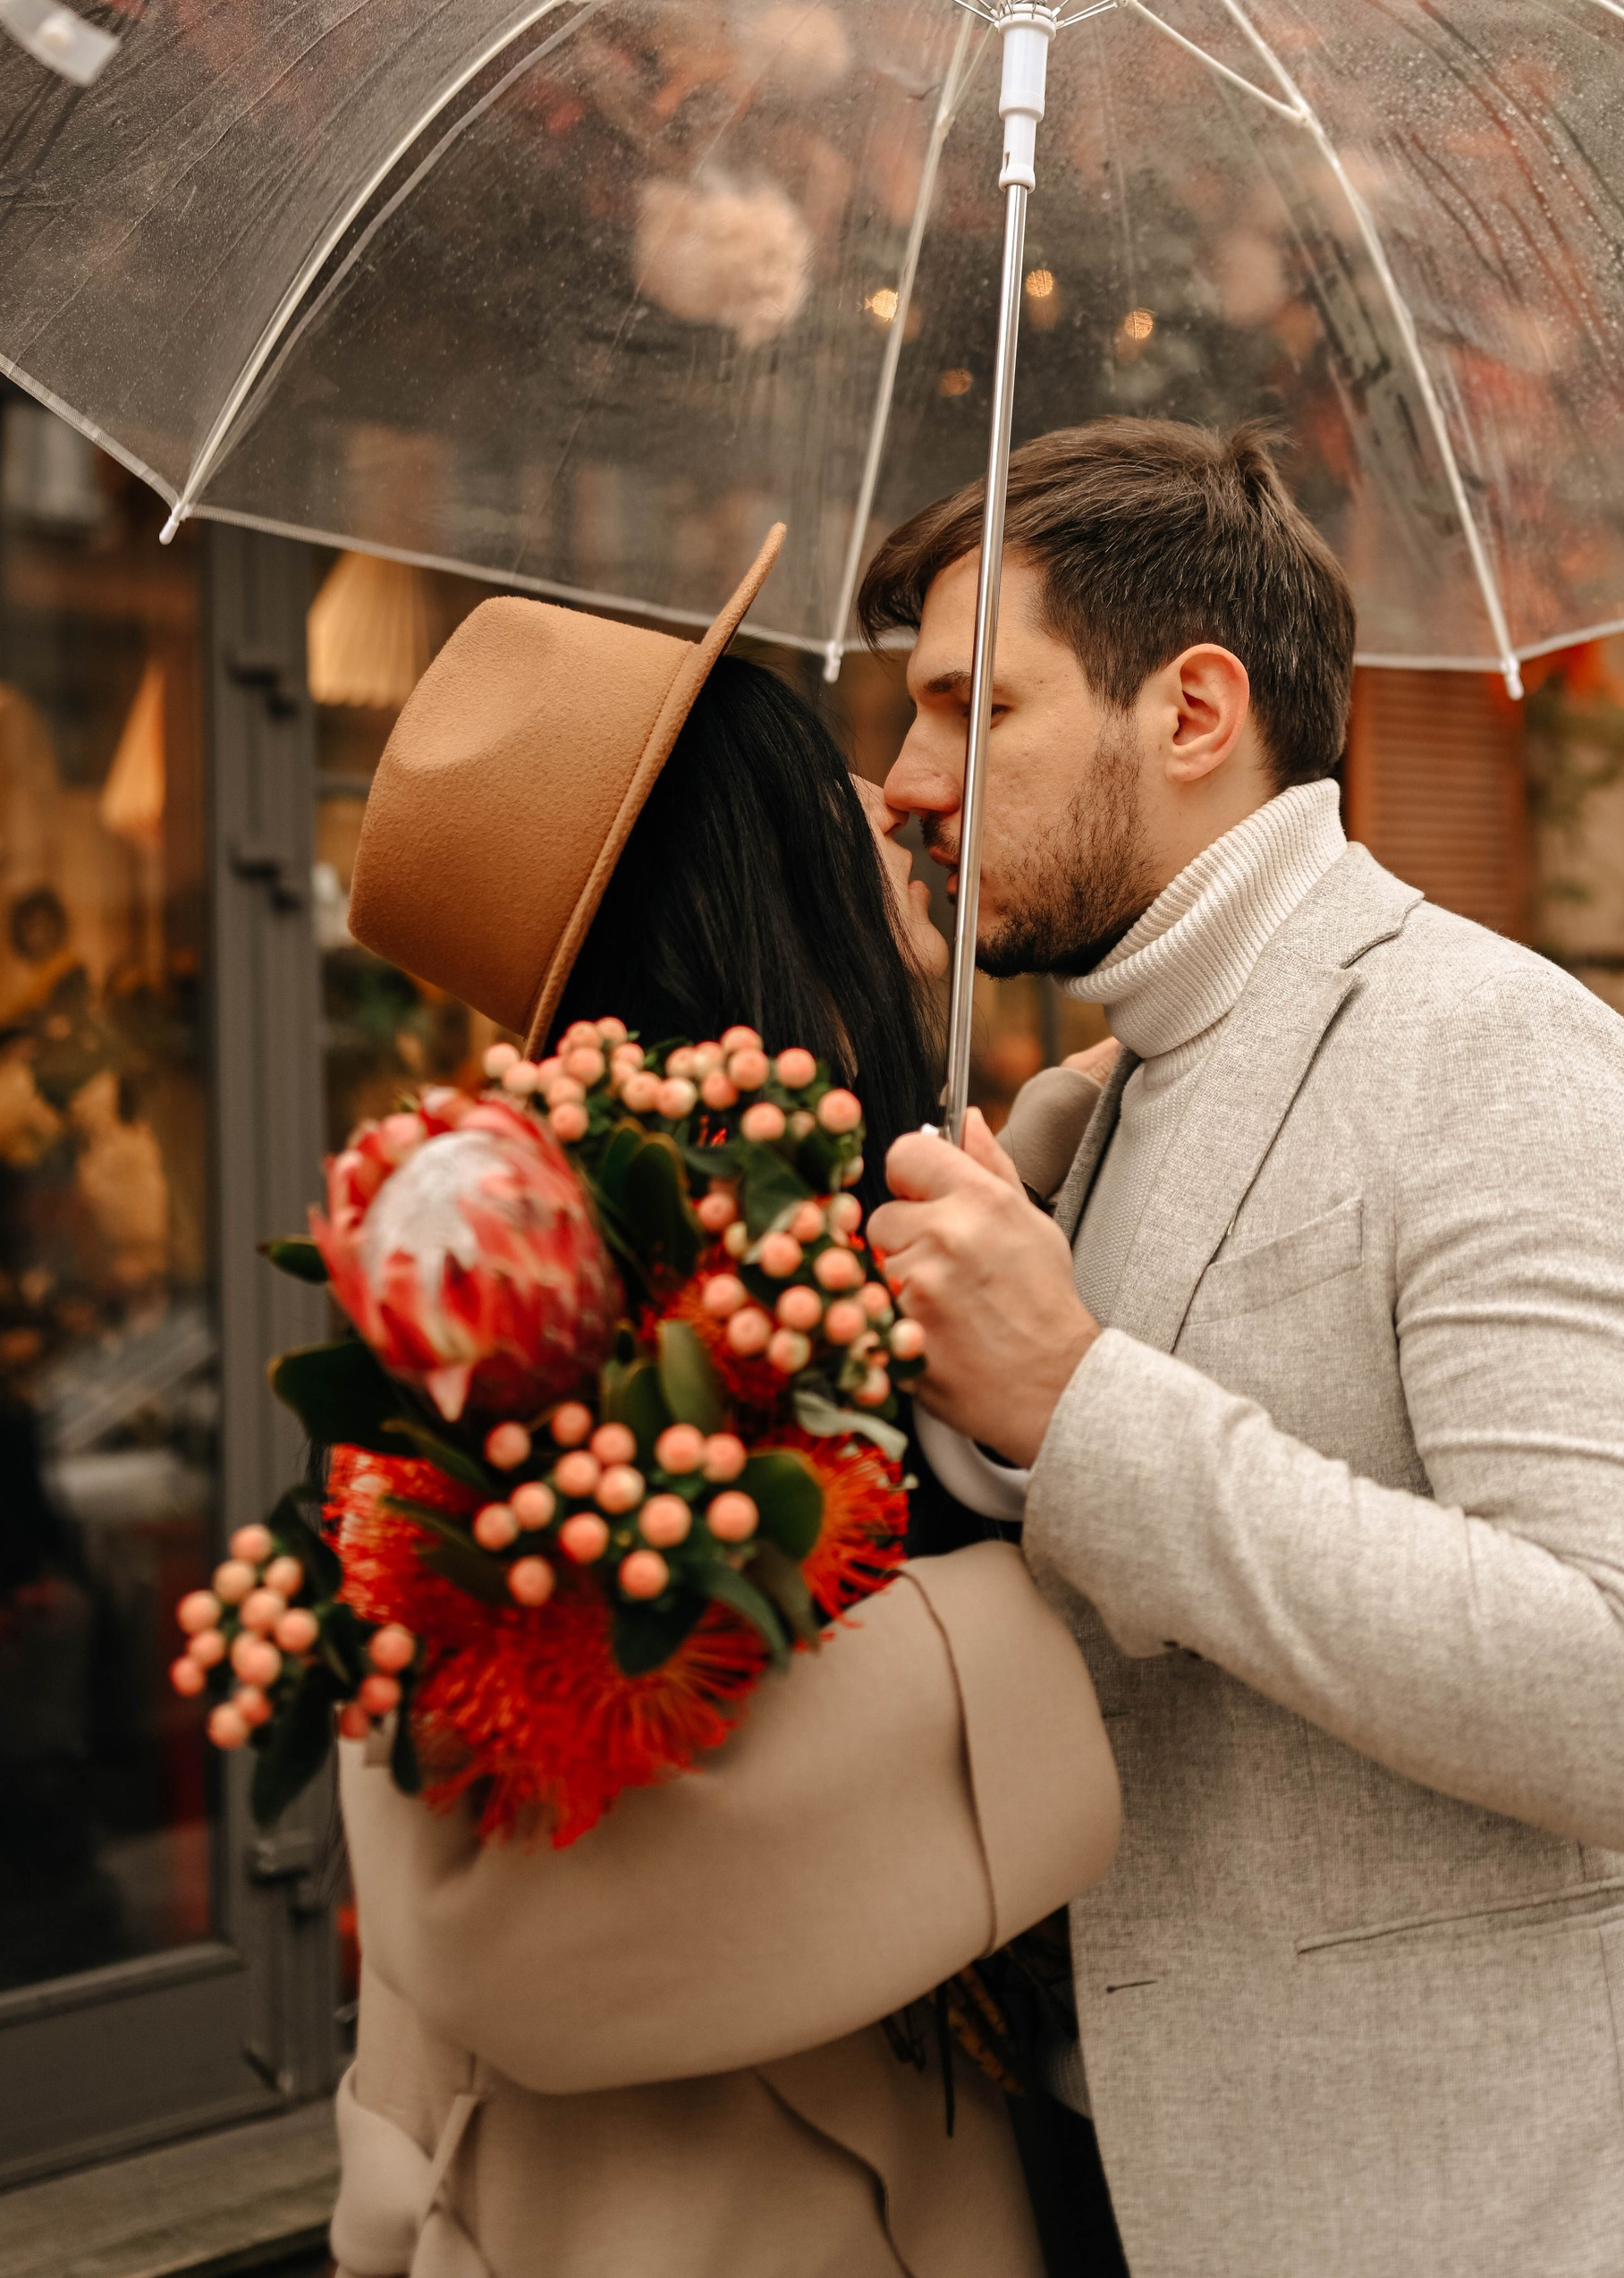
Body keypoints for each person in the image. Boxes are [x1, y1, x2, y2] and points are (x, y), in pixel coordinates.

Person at [862, 422, 1624, 2278]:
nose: (908, 779)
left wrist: (1081, 1407)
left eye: (964, 708)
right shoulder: (1108, 1105)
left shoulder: (1491, 1053)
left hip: (1515, 2212)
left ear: (1190, 711)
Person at [326, 529, 1122, 2278]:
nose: (896, 794)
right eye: (826, 763)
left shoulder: (774, 1223)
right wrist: (1129, 1579)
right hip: (695, 2204)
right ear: (746, 865)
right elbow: (540, 1885)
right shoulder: (557, 1307)